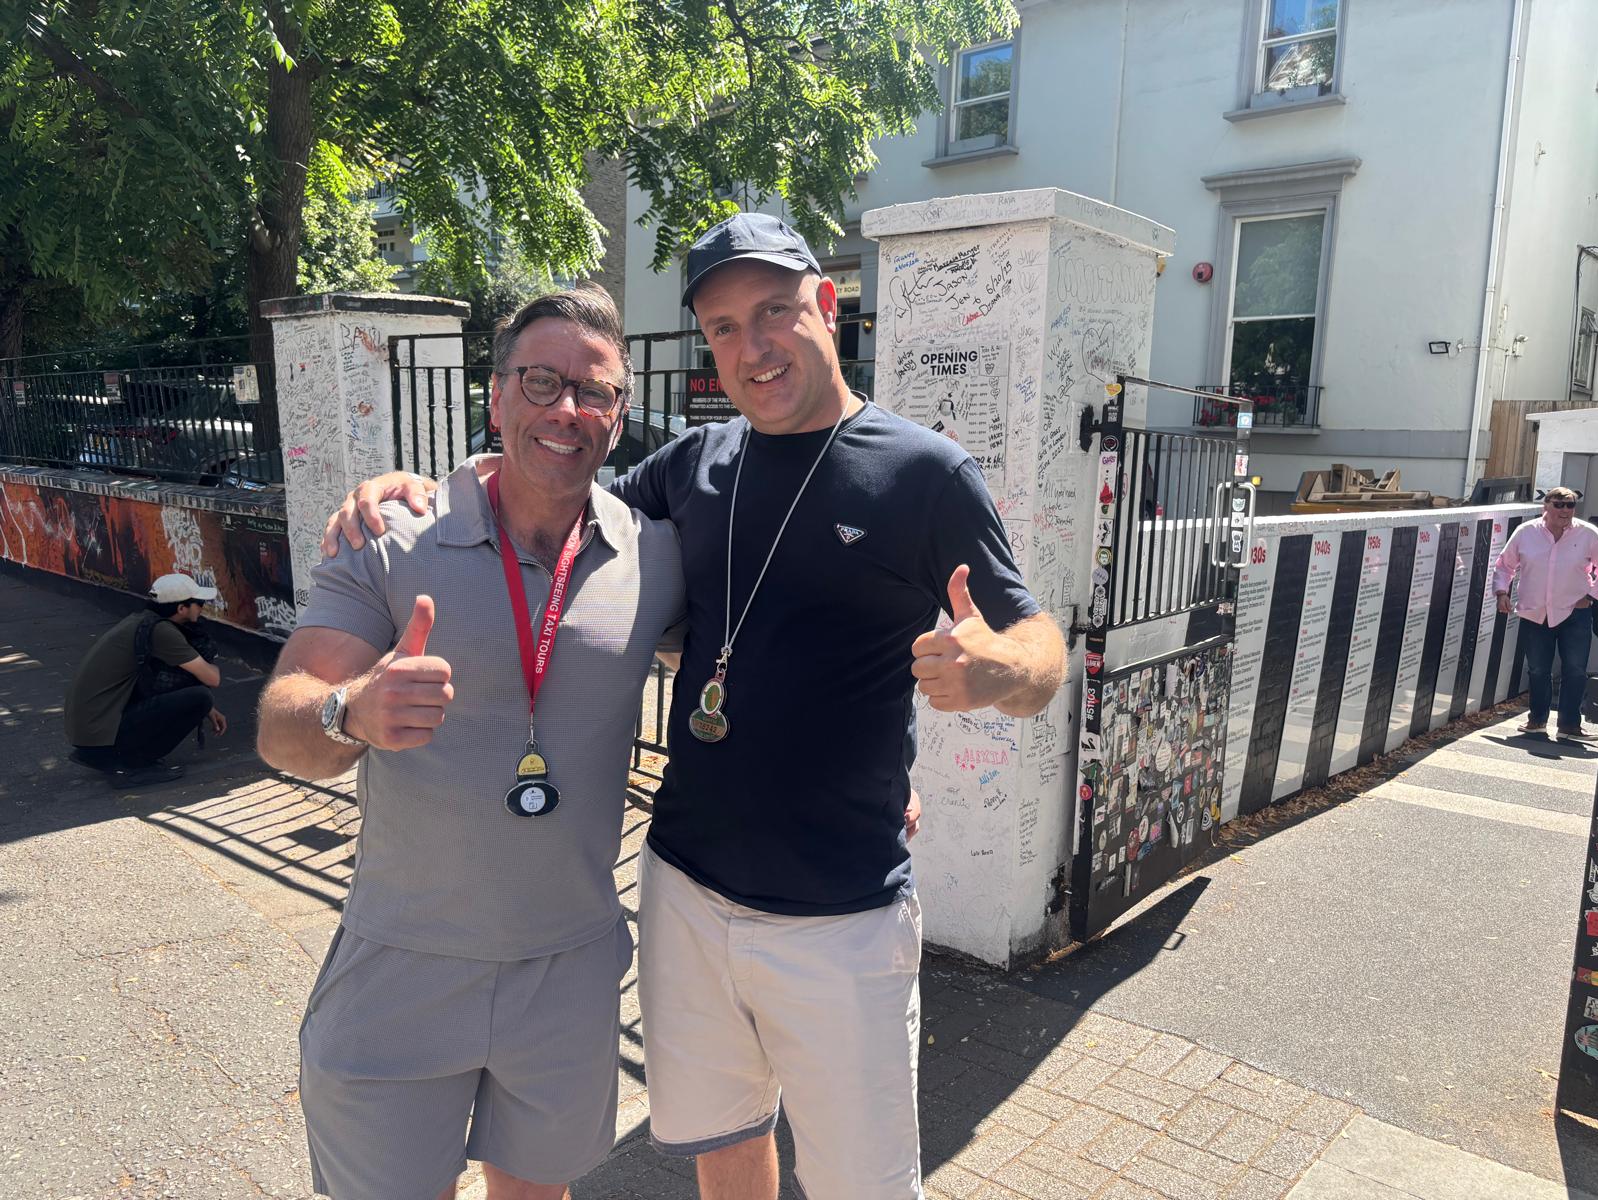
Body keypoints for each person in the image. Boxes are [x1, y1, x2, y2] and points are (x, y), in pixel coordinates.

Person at [322, 213, 1065, 1200]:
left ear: (827, 305)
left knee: (865, 1186)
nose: (752, 346)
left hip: (839, 912)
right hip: (683, 886)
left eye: (774, 312)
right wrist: (423, 488)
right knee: (725, 1138)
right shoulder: (695, 464)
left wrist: (995, 670)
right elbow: (557, 487)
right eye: (722, 327)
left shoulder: (922, 473)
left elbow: (1041, 647)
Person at [257, 286, 688, 1200]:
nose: (567, 409)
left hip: (568, 971)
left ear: (618, 416)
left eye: (595, 392)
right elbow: (281, 723)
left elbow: (767, 647)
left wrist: (884, 773)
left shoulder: (655, 555)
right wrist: (350, 712)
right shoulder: (389, 538)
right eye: (541, 382)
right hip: (403, 968)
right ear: (495, 398)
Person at [65, 572, 228, 784]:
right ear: (181, 609)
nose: (202, 609)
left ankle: (114, 756)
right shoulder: (161, 631)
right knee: (201, 697)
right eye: (199, 604)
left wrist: (209, 710)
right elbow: (212, 678)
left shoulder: (142, 620)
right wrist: (211, 660)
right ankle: (133, 765)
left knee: (196, 697)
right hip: (98, 733)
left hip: (90, 731)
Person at [1493, 485, 1598, 741]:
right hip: (1535, 611)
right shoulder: (1526, 532)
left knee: (1575, 669)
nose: (1565, 510)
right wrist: (1502, 593)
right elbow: (1504, 565)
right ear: (1546, 506)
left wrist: (1590, 596)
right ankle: (1537, 720)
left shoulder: (1589, 534)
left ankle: (1569, 726)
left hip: (1575, 612)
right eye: (1559, 504)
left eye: (1570, 505)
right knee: (1538, 669)